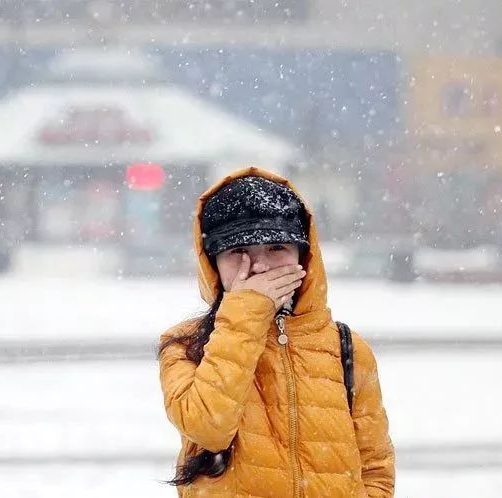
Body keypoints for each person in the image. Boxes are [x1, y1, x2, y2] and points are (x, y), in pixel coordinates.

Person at [158, 168, 394, 497]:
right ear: (212, 263)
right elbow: (209, 427)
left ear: (304, 254)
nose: (259, 267)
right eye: (237, 252)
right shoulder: (185, 346)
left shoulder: (346, 348)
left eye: (276, 248)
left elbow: (375, 469)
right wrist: (245, 314)